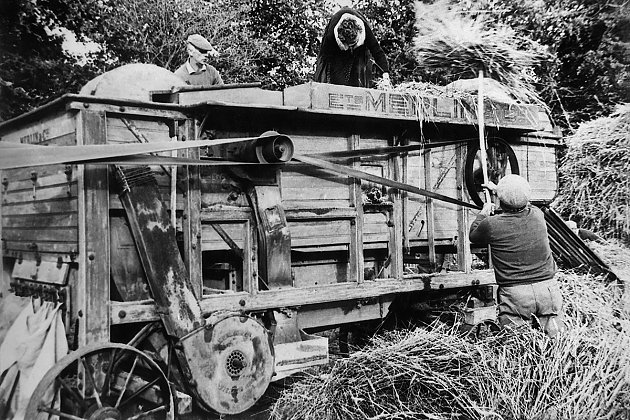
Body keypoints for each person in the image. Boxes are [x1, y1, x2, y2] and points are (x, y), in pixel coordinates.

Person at [469, 174, 563, 337]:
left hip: (516, 295)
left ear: (500, 201)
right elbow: (524, 201)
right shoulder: (537, 215)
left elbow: (473, 236)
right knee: (556, 343)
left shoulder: (491, 224)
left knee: (517, 348)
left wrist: (483, 213)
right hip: (548, 289)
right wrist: (499, 190)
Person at [314, 8, 390, 88]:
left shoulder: (365, 30)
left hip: (359, 51)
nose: (351, 48)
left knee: (358, 77)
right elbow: (324, 60)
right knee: (337, 80)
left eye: (353, 44)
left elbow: (377, 51)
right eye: (349, 45)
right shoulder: (331, 36)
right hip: (337, 52)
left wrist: (385, 74)